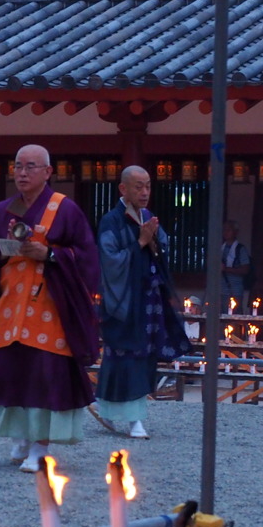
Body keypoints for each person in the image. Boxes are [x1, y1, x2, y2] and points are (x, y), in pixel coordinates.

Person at [0, 144, 100, 472]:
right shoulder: (4, 210)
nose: (22, 172)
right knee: (11, 372)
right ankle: (19, 436)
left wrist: (49, 255)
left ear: (48, 172)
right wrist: (4, 250)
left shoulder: (66, 209)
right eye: (18, 166)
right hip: (10, 305)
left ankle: (41, 447)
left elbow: (87, 257)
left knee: (45, 375)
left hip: (50, 307)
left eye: (31, 166)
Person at [96, 165, 190, 440]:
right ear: (123, 189)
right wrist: (140, 241)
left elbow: (162, 248)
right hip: (124, 300)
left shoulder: (148, 217)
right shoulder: (111, 221)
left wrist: (151, 242)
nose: (145, 192)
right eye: (139, 186)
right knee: (121, 355)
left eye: (148, 185)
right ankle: (115, 412)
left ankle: (133, 415)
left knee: (144, 354)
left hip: (148, 299)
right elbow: (110, 260)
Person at [220, 220, 251, 312]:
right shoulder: (221, 248)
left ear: (235, 232)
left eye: (229, 230)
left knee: (234, 317)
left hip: (235, 289)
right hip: (221, 289)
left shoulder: (240, 249)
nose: (226, 232)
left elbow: (245, 269)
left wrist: (226, 269)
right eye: (224, 230)